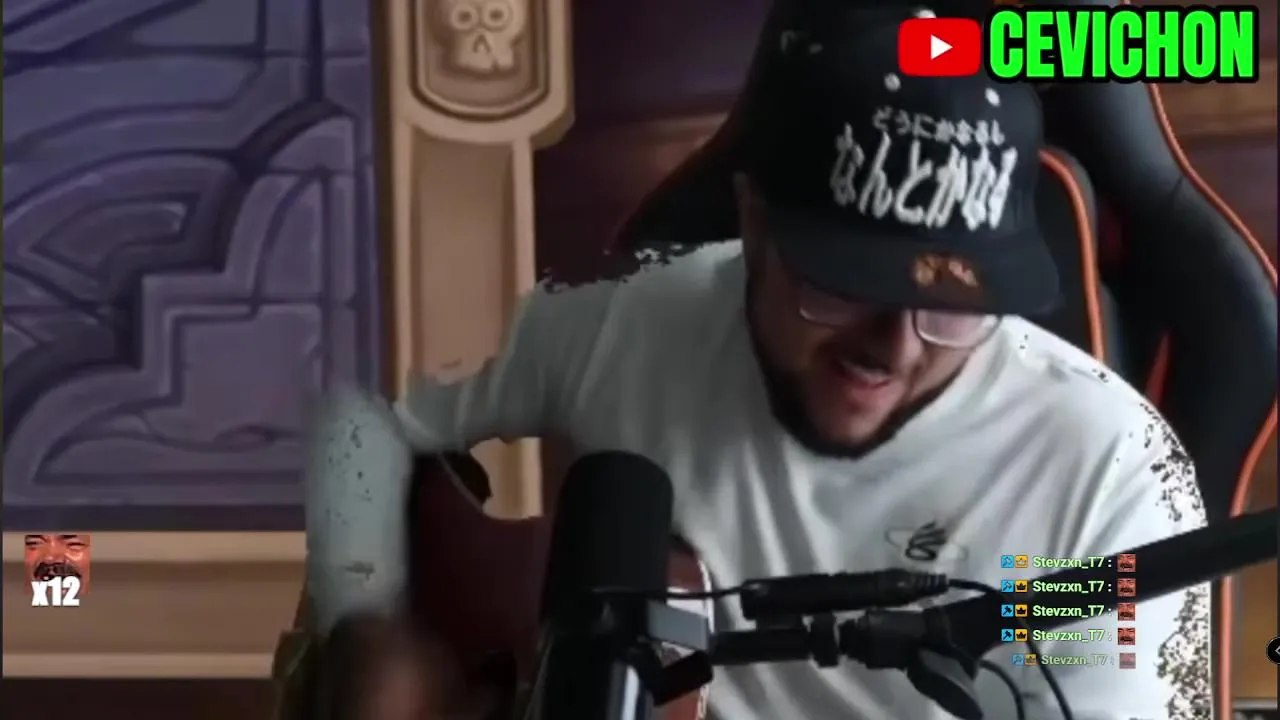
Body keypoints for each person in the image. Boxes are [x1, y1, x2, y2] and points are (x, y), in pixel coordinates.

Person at [304, 5, 1210, 719]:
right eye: (846, 286)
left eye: (951, 306)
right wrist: (364, 625)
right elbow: (357, 411)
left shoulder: (1112, 471)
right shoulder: (618, 314)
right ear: (753, 222)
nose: (894, 348)